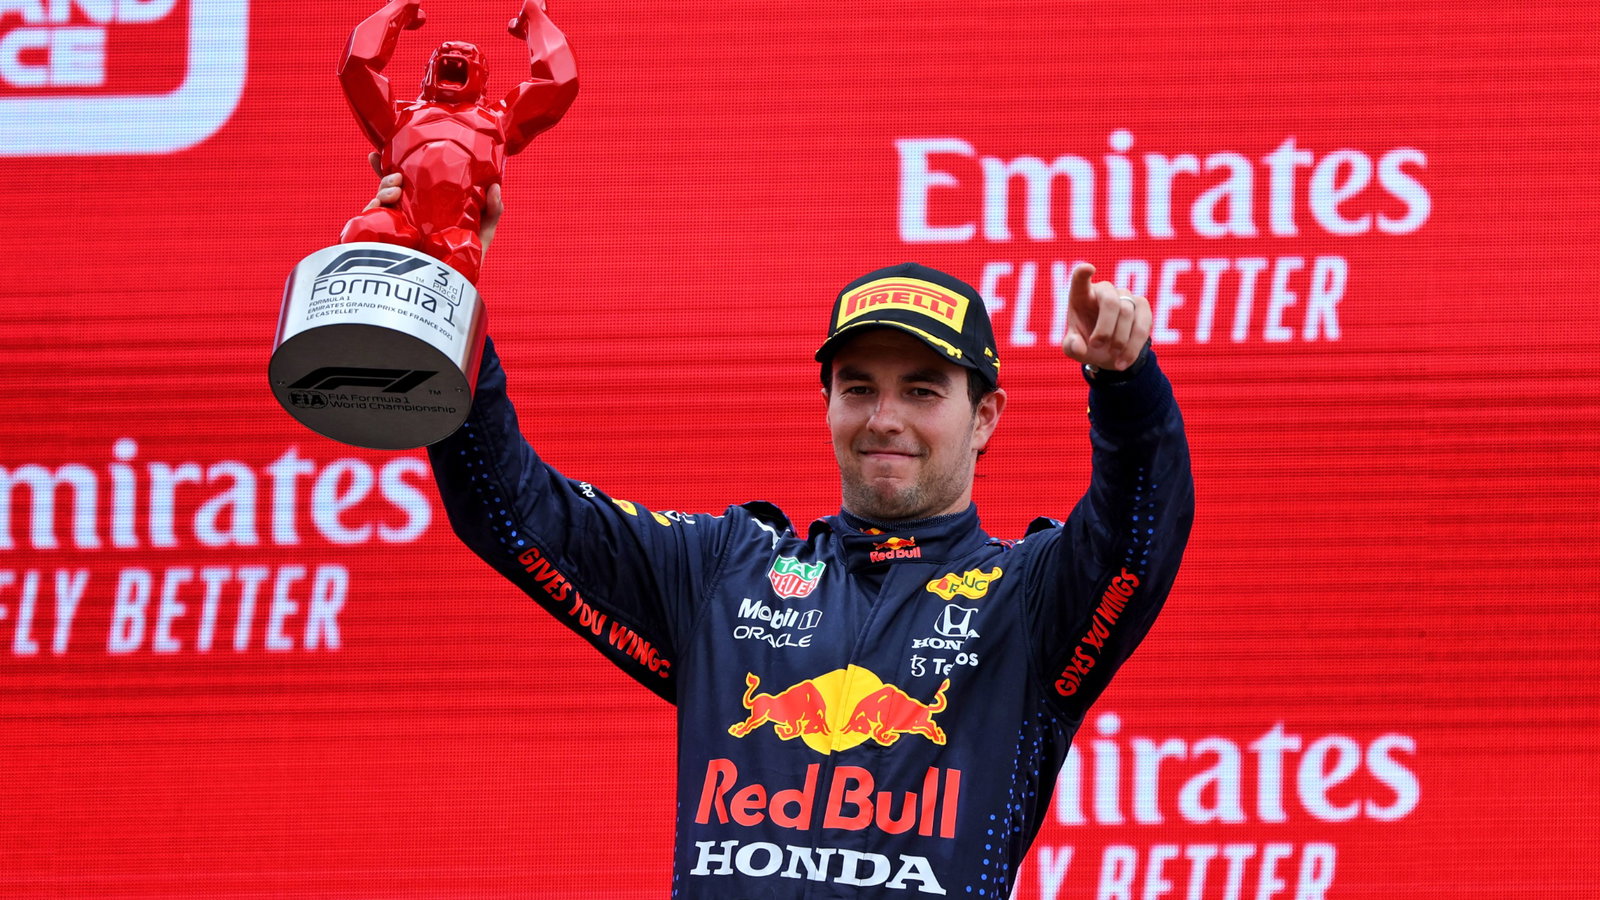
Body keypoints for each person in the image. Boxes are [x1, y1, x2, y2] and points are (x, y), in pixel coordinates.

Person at [370, 168, 1193, 896]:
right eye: (858, 387)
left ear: (985, 418)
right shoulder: (727, 572)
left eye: (921, 391)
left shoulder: (1028, 603)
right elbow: (512, 512)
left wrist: (1126, 388)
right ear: (827, 403)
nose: (884, 418)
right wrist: (446, 286)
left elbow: (1138, 540)